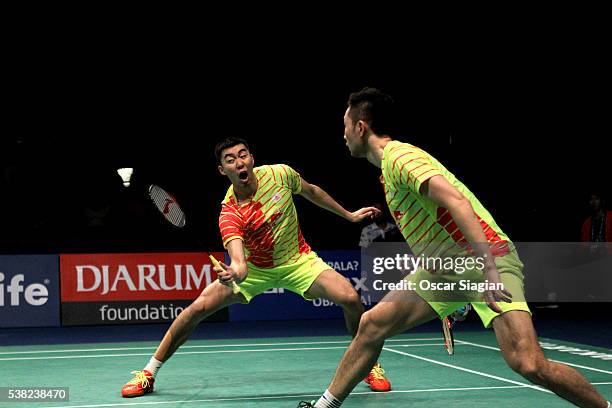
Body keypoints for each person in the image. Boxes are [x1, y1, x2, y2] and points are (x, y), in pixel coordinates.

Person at [298, 88, 609, 408]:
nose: (343, 134)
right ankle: (324, 406)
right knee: (371, 325)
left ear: (361, 127)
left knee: (527, 362)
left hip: (487, 259)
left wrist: (488, 270)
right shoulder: (387, 172)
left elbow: (456, 201)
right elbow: (435, 222)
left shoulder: (401, 158)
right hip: (445, 270)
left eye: (345, 126)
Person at [121, 137, 392, 397]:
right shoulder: (230, 213)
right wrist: (233, 273)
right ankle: (148, 372)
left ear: (251, 158)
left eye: (242, 155)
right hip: (256, 269)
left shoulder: (280, 175)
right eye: (230, 160)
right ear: (222, 169)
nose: (239, 163)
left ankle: (367, 364)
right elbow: (239, 264)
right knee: (196, 310)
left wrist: (347, 214)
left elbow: (311, 191)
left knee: (350, 298)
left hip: (298, 261)